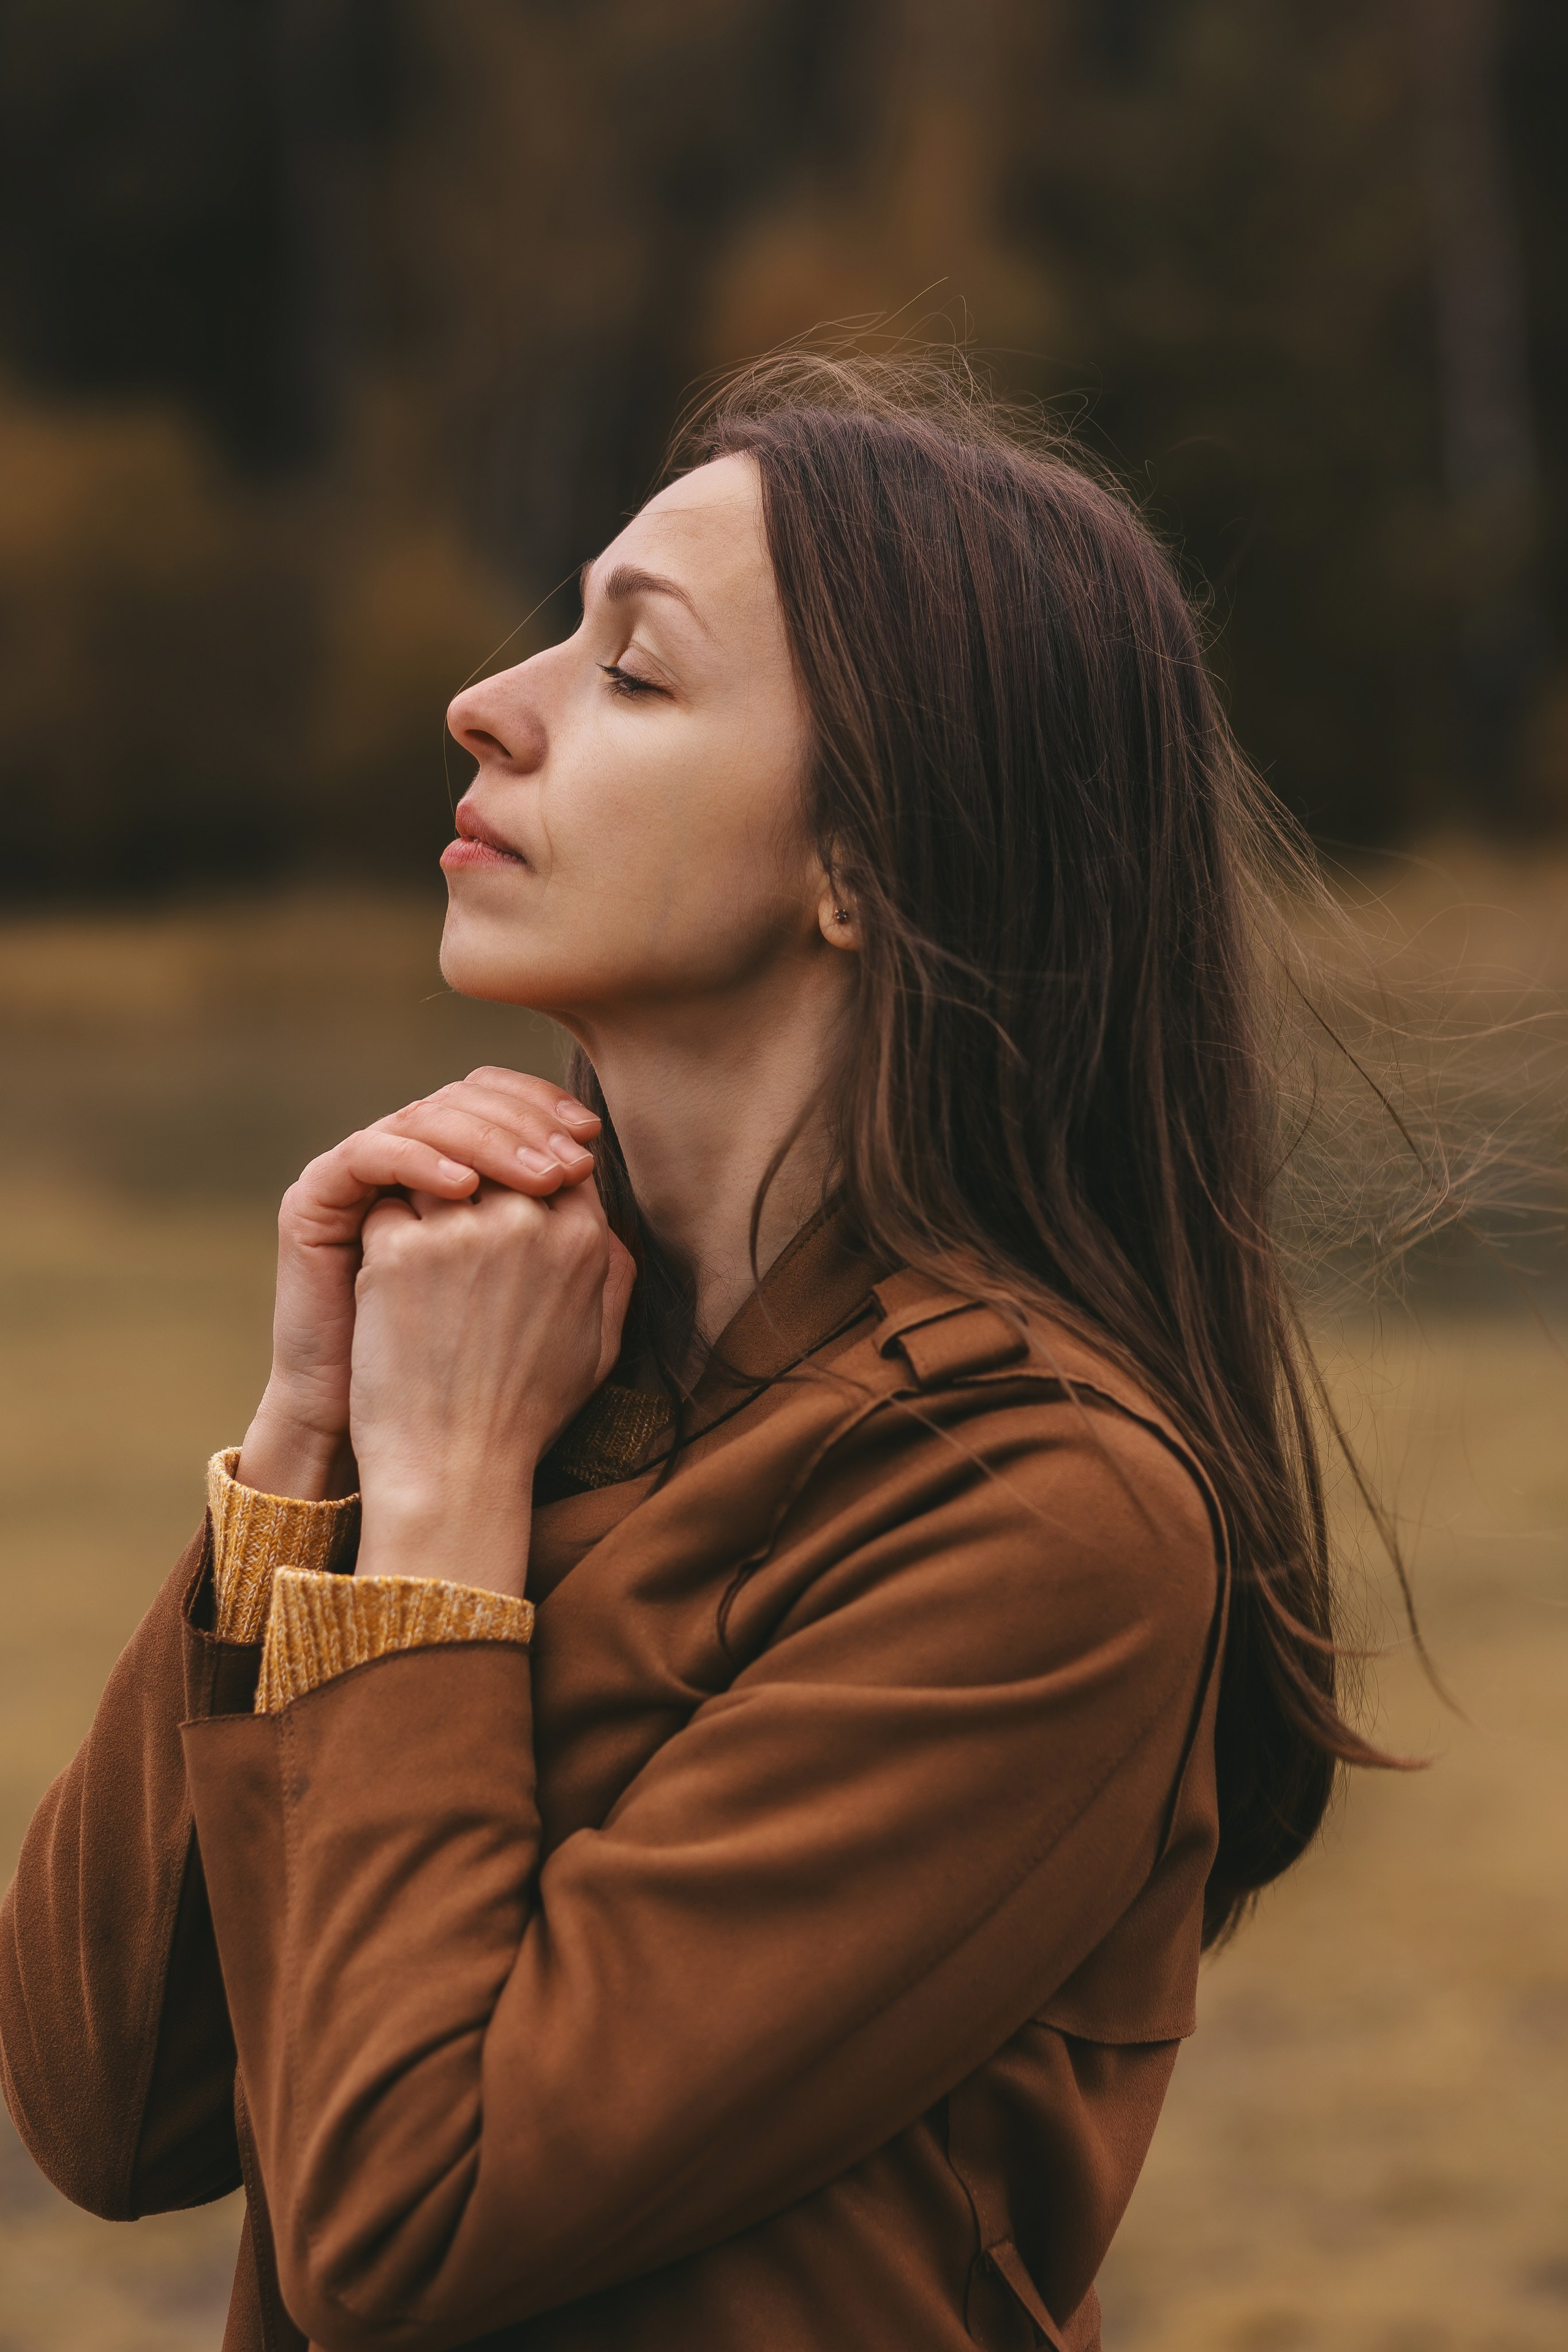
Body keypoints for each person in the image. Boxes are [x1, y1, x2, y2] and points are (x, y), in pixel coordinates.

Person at [0, 352, 1386, 2352]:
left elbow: (403, 2224)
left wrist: (443, 1505)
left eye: (633, 674)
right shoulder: (528, 1354)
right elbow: (105, 2098)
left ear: (868, 864)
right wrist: (311, 1438)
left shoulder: (1045, 1510)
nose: (488, 702)